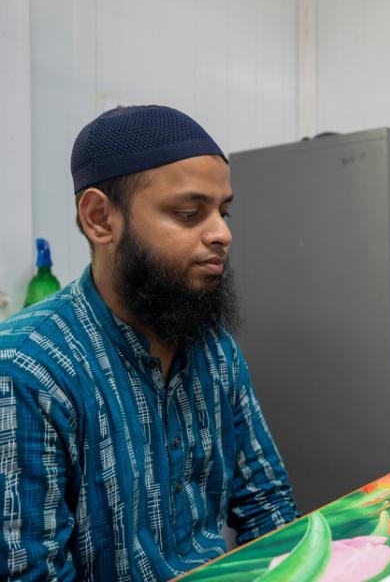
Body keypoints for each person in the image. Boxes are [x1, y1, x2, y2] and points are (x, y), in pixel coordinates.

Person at [0, 105, 298, 580]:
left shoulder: (215, 351)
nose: (223, 233)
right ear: (100, 218)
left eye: (223, 211)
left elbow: (268, 506)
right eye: (188, 213)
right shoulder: (26, 370)